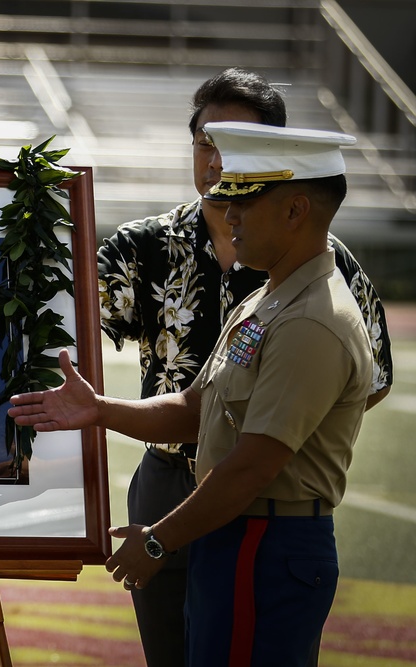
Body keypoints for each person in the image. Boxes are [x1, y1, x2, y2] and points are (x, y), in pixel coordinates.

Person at [11, 122, 372, 667]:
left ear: (295, 210)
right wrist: (100, 410)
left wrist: (157, 539)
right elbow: (195, 409)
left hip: (266, 545)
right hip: (233, 536)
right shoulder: (270, 299)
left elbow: (252, 466)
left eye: (244, 202)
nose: (228, 217)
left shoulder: (311, 319)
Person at [96, 67, 393, 667]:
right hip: (177, 477)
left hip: (262, 510)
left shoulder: (318, 288)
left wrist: (290, 426)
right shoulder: (152, 248)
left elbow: (353, 388)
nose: (216, 166)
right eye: (206, 142)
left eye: (235, 148)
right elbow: (191, 401)